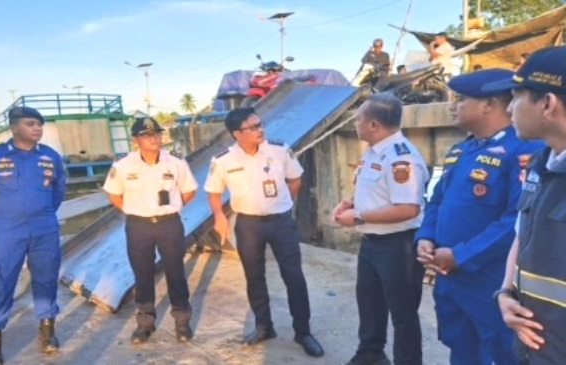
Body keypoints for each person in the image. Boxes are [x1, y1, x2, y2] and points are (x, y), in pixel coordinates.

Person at [415, 69, 544, 365]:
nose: (452, 105)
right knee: (460, 348)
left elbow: (518, 220)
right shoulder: (461, 149)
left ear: (488, 105)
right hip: (451, 278)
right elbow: (437, 200)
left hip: (490, 280)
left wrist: (461, 255)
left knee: (500, 351)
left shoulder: (525, 149)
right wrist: (426, 237)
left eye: (460, 99)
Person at [204, 107, 324, 358]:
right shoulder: (223, 160)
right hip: (248, 225)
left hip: (281, 223)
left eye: (260, 124)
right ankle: (264, 326)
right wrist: (218, 216)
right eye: (253, 127)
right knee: (254, 276)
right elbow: (214, 192)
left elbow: (296, 179)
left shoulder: (279, 150)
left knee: (294, 276)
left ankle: (303, 332)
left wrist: (285, 204)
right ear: (237, 134)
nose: (261, 130)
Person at [332, 93, 429, 365]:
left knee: (403, 314)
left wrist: (359, 216)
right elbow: (376, 190)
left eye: (358, 118)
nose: (355, 123)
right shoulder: (374, 151)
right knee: (370, 302)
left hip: (398, 246)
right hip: (372, 243)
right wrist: (350, 202)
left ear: (373, 124)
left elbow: (409, 209)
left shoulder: (402, 158)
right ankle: (370, 354)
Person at [484, 46, 566, 365]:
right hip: (533, 347)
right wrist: (505, 293)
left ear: (547, 103)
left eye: (516, 98)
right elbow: (522, 233)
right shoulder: (539, 164)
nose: (509, 110)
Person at [0, 106, 66, 365]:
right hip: (8, 230)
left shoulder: (51, 156)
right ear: (14, 128)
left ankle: (47, 332)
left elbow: (59, 189)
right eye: (30, 124)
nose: (37, 128)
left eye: (39, 124)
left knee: (46, 278)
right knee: (1, 279)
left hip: (44, 227)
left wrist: (43, 212)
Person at [103, 116, 198, 344]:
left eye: (156, 133)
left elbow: (188, 191)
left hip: (169, 225)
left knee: (176, 272)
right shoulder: (123, 165)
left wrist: (171, 208)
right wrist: (137, 210)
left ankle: (182, 322)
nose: (153, 137)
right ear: (136, 140)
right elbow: (114, 195)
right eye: (146, 135)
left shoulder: (175, 162)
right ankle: (145, 324)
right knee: (143, 274)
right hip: (138, 226)